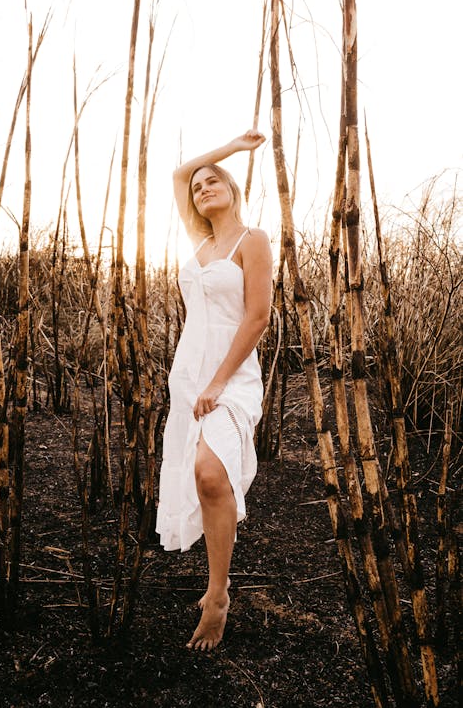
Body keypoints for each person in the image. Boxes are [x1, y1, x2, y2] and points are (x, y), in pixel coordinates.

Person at [155, 130, 273, 651]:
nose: (202, 187)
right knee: (202, 480)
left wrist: (221, 380)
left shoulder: (254, 240)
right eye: (199, 186)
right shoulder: (198, 240)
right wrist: (227, 146)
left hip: (233, 371)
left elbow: (258, 317)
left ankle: (218, 594)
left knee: (210, 471)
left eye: (214, 181)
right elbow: (179, 174)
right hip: (190, 370)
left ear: (231, 189)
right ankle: (216, 585)